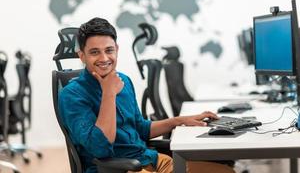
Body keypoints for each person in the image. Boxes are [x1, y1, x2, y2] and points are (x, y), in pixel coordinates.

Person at [59, 17, 235, 173]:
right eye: (94, 52)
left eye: (109, 50)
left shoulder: (124, 81)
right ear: (81, 56)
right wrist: (108, 93)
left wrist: (179, 121)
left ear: (117, 49)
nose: (104, 58)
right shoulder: (72, 95)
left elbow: (140, 128)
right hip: (122, 168)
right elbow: (100, 148)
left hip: (152, 160)